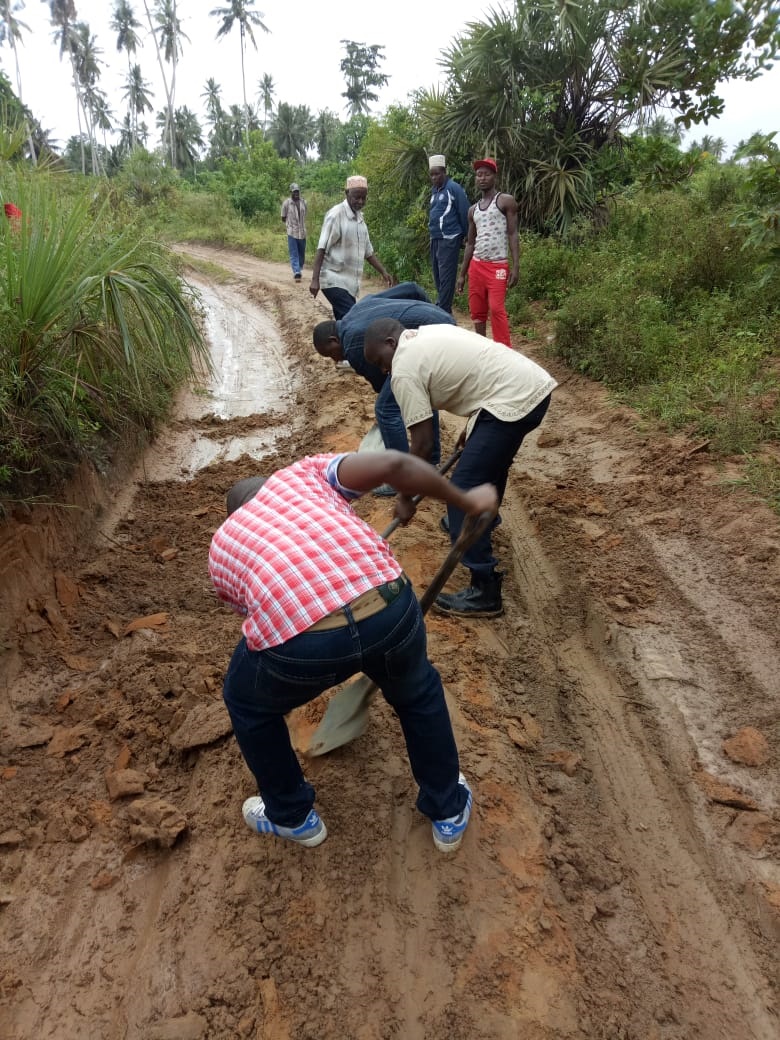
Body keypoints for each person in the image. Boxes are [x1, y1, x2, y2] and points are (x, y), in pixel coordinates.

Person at [208, 450, 498, 852]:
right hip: (390, 608)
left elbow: (255, 613)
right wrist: (467, 501)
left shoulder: (222, 545)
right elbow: (396, 466)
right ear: (271, 483)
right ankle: (448, 812)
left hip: (304, 646)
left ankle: (292, 817)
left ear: (233, 515)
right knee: (417, 693)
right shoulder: (304, 476)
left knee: (247, 702)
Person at [364, 320, 557, 618]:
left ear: (391, 343)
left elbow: (423, 444)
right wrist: (474, 425)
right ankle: (483, 524)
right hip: (529, 388)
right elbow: (478, 371)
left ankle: (484, 589)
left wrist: (404, 497)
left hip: (511, 398)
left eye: (380, 361)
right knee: (489, 468)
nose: (383, 371)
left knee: (463, 488)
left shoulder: (403, 367)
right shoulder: (426, 334)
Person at [312, 283, 454, 492]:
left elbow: (389, 392)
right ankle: (429, 463)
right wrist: (429, 317)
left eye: (331, 354)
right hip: (445, 322)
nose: (335, 360)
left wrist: (386, 426)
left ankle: (402, 478)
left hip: (435, 340)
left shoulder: (351, 344)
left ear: (334, 340)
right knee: (417, 393)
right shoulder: (359, 308)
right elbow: (412, 288)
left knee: (385, 409)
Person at [309, 174, 394, 320]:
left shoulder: (360, 219)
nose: (360, 201)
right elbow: (322, 247)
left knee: (344, 322)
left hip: (350, 284)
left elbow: (368, 252)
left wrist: (383, 272)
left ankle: (339, 342)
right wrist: (314, 279)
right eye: (356, 197)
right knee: (355, 319)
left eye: (363, 198)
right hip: (333, 280)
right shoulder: (336, 215)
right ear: (347, 193)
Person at [456, 158, 519, 347]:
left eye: (487, 174)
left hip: (498, 265)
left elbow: (513, 233)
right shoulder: (472, 210)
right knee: (477, 311)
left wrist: (516, 266)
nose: (482, 178)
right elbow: (470, 244)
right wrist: (462, 274)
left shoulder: (505, 201)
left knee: (496, 308)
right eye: (479, 174)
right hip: (476, 266)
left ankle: (504, 351)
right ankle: (483, 349)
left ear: (494, 177)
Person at [428, 154, 469, 315]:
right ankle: (445, 310)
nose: (434, 177)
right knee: (437, 275)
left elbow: (464, 211)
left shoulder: (454, 188)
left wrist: (467, 236)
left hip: (450, 238)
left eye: (437, 173)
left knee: (446, 277)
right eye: (431, 174)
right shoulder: (435, 191)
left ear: (444, 172)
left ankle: (442, 310)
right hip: (435, 238)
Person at [281, 182, 307, 281]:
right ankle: (296, 272)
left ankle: (299, 269)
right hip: (292, 232)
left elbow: (305, 215)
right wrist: (289, 224)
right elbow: (283, 217)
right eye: (294, 191)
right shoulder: (286, 203)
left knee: (302, 253)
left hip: (302, 232)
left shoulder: (304, 202)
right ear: (291, 192)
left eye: (297, 191)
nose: (296, 193)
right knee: (294, 253)